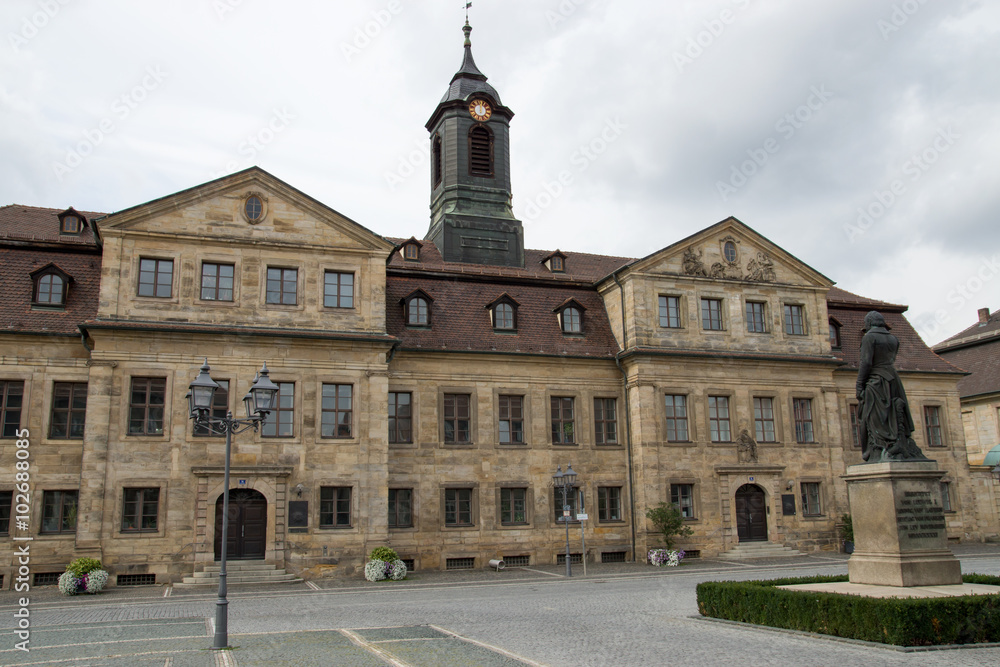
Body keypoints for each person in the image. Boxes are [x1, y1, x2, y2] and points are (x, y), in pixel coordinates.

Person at [855, 311, 926, 462]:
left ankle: (878, 448)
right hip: (893, 380)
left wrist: (859, 385)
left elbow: (866, 363)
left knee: (871, 416)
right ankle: (893, 443)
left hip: (876, 381)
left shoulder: (869, 337)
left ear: (869, 323)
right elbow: (891, 359)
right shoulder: (893, 339)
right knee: (892, 412)